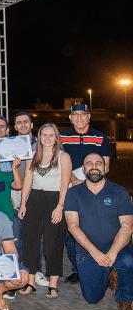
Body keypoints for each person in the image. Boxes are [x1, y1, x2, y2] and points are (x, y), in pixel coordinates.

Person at [65, 153, 133, 310]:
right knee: (92, 298)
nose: (94, 166)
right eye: (89, 163)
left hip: (116, 248)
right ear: (83, 169)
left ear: (106, 168)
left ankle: (125, 298)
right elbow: (73, 226)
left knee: (128, 260)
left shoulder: (119, 192)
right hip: (87, 251)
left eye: (98, 163)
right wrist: (95, 253)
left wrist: (113, 253)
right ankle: (110, 273)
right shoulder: (73, 193)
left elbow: (127, 226)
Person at [18, 123, 72, 298]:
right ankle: (31, 282)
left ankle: (53, 284)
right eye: (44, 135)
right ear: (39, 137)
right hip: (34, 199)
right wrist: (23, 203)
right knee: (30, 242)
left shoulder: (63, 156)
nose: (47, 138)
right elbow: (27, 181)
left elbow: (65, 184)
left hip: (54, 200)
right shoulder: (33, 155)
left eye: (51, 135)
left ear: (56, 138)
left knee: (53, 243)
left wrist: (60, 206)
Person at [60, 103, 112, 284]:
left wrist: (88, 183)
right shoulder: (62, 137)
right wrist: (74, 181)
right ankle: (78, 269)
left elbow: (105, 166)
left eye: (83, 114)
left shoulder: (100, 137)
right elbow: (59, 163)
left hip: (94, 188)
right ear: (70, 118)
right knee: (71, 231)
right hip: (70, 187)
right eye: (76, 115)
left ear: (89, 117)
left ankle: (100, 265)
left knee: (94, 228)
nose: (79, 118)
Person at [11, 111, 37, 252]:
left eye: (26, 122)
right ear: (15, 126)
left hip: (36, 191)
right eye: (19, 123)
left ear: (31, 124)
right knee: (17, 233)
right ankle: (19, 264)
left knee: (35, 234)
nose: (22, 125)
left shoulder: (41, 144)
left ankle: (36, 265)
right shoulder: (8, 145)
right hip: (15, 192)